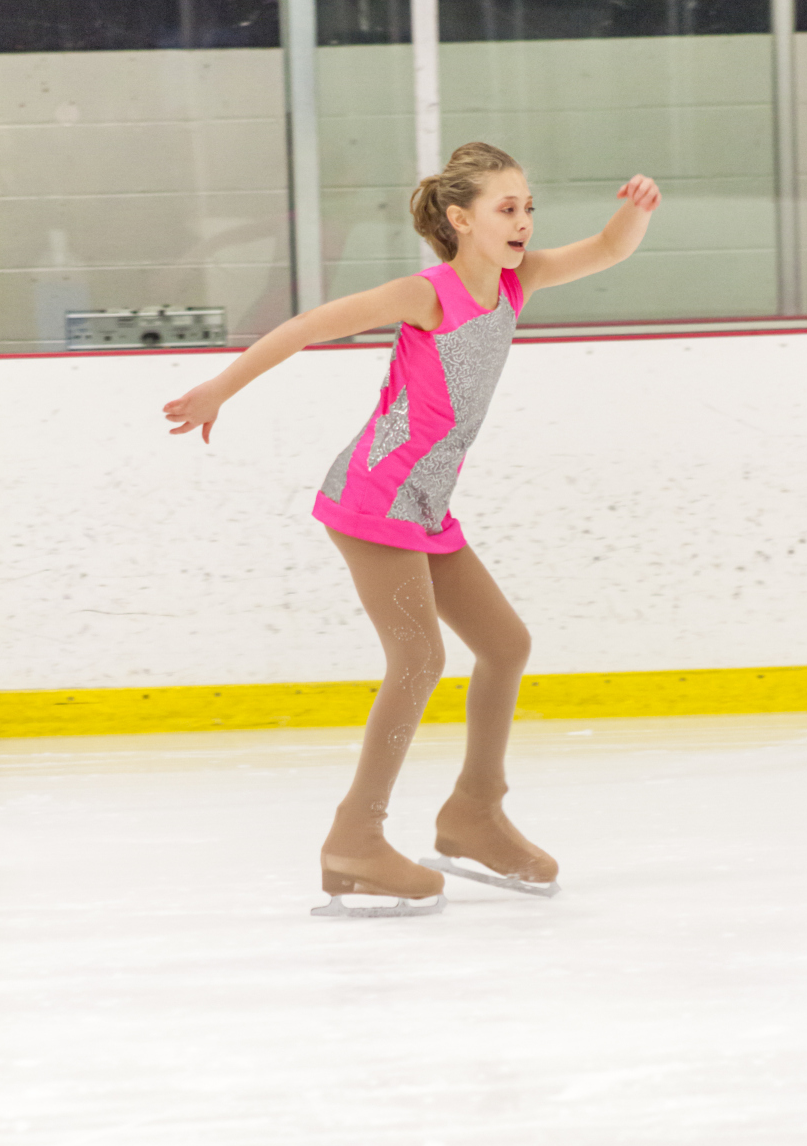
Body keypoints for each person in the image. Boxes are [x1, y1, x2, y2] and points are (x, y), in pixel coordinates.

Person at [164, 142, 661, 917]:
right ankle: (354, 838)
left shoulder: (517, 282)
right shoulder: (426, 294)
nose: (524, 221)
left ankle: (474, 812)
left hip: (424, 506)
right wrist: (220, 388)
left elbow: (605, 249)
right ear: (460, 220)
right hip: (374, 499)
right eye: (507, 208)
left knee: (505, 644)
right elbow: (309, 325)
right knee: (419, 657)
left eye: (529, 207)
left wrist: (635, 213)